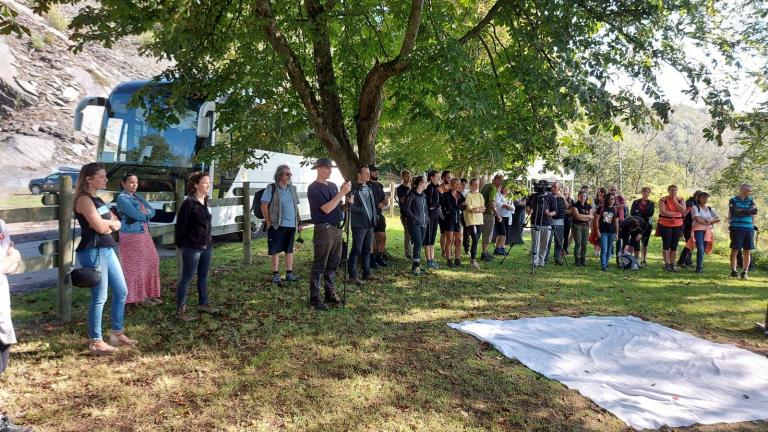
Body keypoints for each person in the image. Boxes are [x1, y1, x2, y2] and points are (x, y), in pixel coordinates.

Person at [74, 163, 135, 355]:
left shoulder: (98, 199)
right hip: (93, 251)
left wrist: (105, 224)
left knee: (122, 292)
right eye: (101, 177)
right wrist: (105, 224)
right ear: (88, 179)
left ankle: (117, 333)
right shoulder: (83, 200)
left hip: (107, 249)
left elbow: (117, 223)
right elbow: (101, 228)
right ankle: (96, 341)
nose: (106, 179)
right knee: (100, 297)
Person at [307, 158, 351, 310]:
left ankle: (329, 293)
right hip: (324, 229)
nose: (330, 171)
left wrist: (347, 202)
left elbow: (337, 208)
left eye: (331, 168)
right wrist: (341, 193)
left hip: (337, 228)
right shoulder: (313, 188)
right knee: (320, 264)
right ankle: (314, 297)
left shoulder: (332, 186)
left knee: (333, 263)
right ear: (318, 169)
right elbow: (326, 209)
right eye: (327, 168)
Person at [175, 171, 218, 321]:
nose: (208, 185)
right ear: (196, 185)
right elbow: (181, 226)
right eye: (205, 182)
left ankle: (203, 304)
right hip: (191, 246)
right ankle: (181, 309)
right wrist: (181, 244)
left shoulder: (206, 200)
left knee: (203, 276)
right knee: (187, 277)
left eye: (209, 182)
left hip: (207, 245)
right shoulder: (189, 203)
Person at [116, 173, 161, 306]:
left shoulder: (137, 196)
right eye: (131, 182)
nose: (134, 184)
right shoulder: (122, 198)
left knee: (152, 261)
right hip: (131, 236)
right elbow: (139, 216)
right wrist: (145, 214)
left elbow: (152, 211)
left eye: (136, 182)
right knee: (136, 267)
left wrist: (145, 214)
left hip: (144, 233)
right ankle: (138, 298)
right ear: (123, 183)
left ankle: (148, 293)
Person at [261, 165, 301, 286]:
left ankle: (289, 274)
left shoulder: (292, 189)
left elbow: (295, 207)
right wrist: (269, 223)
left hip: (291, 225)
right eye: (287, 174)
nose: (290, 176)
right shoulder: (271, 188)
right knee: (275, 251)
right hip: (277, 225)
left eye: (290, 174)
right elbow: (263, 206)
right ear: (280, 175)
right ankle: (276, 275)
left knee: (289, 250)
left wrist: (299, 222)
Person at [347, 166, 380, 285]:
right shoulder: (353, 189)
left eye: (368, 173)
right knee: (356, 250)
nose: (368, 175)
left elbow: (372, 205)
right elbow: (349, 207)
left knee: (367, 249)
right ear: (359, 175)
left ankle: (367, 273)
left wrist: (374, 217)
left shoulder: (369, 188)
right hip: (359, 225)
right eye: (365, 173)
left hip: (370, 224)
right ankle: (352, 275)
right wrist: (361, 210)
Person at [728, 183, 758, 279]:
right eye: (747, 190)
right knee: (735, 249)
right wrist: (747, 211)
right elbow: (735, 212)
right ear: (741, 189)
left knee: (747, 250)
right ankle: (734, 270)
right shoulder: (732, 200)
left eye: (749, 191)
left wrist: (741, 210)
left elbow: (755, 211)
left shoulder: (751, 200)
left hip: (749, 228)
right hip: (736, 228)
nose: (748, 192)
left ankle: (745, 272)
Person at [526, 180, 558, 268]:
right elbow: (527, 207)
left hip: (547, 223)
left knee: (544, 244)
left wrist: (549, 213)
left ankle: (541, 261)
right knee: (535, 243)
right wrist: (529, 210)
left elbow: (555, 211)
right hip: (535, 222)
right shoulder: (533, 196)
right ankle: (534, 262)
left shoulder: (551, 197)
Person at [687, 192, 720, 273]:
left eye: (706, 197)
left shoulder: (709, 209)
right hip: (698, 229)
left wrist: (710, 221)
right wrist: (708, 222)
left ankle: (700, 266)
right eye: (703, 197)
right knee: (700, 248)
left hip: (708, 230)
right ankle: (699, 268)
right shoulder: (695, 207)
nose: (705, 199)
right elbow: (697, 219)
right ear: (699, 198)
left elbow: (718, 219)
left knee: (704, 248)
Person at [403, 176, 429, 275]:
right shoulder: (411, 194)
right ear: (419, 183)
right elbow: (406, 208)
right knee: (417, 243)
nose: (426, 183)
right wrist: (413, 217)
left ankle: (417, 264)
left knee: (419, 244)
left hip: (424, 223)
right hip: (414, 224)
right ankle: (415, 267)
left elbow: (425, 209)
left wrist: (426, 218)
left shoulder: (424, 195)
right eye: (424, 182)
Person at [657, 185, 686, 272]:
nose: (673, 192)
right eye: (672, 190)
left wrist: (675, 201)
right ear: (668, 191)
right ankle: (667, 264)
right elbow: (663, 212)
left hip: (678, 225)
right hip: (665, 225)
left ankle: (672, 264)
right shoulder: (663, 200)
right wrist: (676, 214)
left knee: (674, 245)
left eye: (675, 190)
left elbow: (683, 210)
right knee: (666, 244)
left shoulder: (681, 199)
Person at [441, 178, 466, 267]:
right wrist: (450, 211)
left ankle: (457, 259)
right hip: (449, 220)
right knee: (449, 240)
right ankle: (449, 260)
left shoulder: (460, 195)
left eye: (458, 184)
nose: (458, 185)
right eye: (455, 184)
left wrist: (459, 207)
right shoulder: (446, 195)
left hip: (458, 220)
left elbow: (464, 206)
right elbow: (445, 207)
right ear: (451, 185)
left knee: (459, 240)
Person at [368, 165, 389, 269]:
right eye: (374, 171)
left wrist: (385, 202)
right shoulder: (365, 185)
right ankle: (371, 259)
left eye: (377, 171)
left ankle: (379, 257)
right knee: (371, 238)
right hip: (369, 216)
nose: (376, 173)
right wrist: (377, 205)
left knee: (382, 237)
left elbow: (384, 199)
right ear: (369, 173)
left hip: (379, 215)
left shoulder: (380, 185)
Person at [480, 174, 504, 262]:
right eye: (501, 181)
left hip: (482, 213)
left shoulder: (486, 186)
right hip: (489, 214)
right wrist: (497, 215)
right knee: (487, 234)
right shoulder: (493, 188)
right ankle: (484, 254)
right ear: (496, 180)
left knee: (484, 233)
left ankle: (485, 252)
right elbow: (491, 204)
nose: (501, 183)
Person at [463, 178, 485, 270]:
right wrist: (478, 209)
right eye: (475, 184)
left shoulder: (480, 195)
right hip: (471, 221)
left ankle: (473, 258)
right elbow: (469, 209)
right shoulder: (468, 195)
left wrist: (477, 209)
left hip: (480, 220)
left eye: (478, 184)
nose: (476, 186)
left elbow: (484, 208)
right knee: (475, 240)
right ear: (471, 185)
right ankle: (473, 260)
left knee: (477, 239)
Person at [630, 187, 655, 265]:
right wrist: (643, 213)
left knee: (645, 243)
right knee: (636, 241)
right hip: (637, 225)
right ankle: (635, 259)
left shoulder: (651, 203)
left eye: (647, 192)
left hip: (647, 225)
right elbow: (633, 213)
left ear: (649, 193)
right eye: (644, 192)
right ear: (642, 192)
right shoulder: (636, 202)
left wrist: (639, 212)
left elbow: (650, 213)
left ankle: (644, 259)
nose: (646, 193)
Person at [545, 181, 568, 265]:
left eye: (555, 187)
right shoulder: (548, 196)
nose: (553, 188)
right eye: (552, 187)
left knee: (559, 241)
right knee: (548, 241)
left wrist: (563, 197)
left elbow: (567, 206)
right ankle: (545, 258)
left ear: (559, 188)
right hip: (549, 221)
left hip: (560, 222)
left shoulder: (562, 197)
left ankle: (557, 258)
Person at [677, 191, 702, 268]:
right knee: (689, 243)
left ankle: (688, 261)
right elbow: (685, 215)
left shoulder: (697, 204)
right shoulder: (690, 203)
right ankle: (682, 261)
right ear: (697, 196)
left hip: (694, 226)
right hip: (688, 226)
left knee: (691, 243)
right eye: (700, 197)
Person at [596, 193, 620, 271]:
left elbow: (616, 223)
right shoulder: (601, 208)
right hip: (603, 232)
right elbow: (596, 221)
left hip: (612, 232)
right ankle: (603, 266)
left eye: (613, 199)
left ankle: (606, 264)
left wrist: (617, 233)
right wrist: (597, 231)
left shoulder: (615, 210)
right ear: (607, 199)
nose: (611, 200)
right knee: (604, 249)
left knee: (609, 249)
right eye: (610, 198)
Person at [424, 170, 441, 269]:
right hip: (430, 216)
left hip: (435, 216)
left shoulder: (436, 188)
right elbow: (430, 204)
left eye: (439, 177)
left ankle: (432, 259)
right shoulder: (429, 188)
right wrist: (437, 205)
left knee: (433, 238)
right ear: (432, 178)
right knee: (428, 238)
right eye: (437, 177)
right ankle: (429, 260)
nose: (439, 179)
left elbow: (439, 202)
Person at [570, 190, 593, 266]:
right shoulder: (574, 205)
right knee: (578, 243)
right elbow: (577, 216)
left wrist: (582, 216)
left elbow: (591, 217)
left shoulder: (589, 206)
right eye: (581, 196)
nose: (583, 197)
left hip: (586, 227)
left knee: (584, 244)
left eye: (584, 196)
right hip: (577, 226)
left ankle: (583, 260)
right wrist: (587, 216)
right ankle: (577, 261)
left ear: (586, 197)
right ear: (578, 197)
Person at [396, 170, 413, 259]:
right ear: (402, 177)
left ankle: (413, 251)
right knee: (408, 234)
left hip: (414, 214)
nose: (409, 178)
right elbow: (402, 200)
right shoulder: (400, 189)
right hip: (405, 214)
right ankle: (408, 253)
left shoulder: (412, 187)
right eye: (406, 176)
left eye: (409, 176)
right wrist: (409, 191)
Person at [493, 185, 514, 255]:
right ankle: (497, 248)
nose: (507, 190)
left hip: (508, 217)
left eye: (508, 188)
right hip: (500, 216)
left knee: (505, 234)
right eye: (505, 188)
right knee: (502, 233)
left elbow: (513, 208)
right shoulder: (498, 195)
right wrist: (505, 205)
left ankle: (502, 248)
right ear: (502, 188)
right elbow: (498, 204)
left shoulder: (509, 197)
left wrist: (509, 207)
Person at [438, 170, 453, 261]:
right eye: (448, 177)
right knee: (443, 233)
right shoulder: (439, 187)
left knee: (451, 233)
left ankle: (449, 250)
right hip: (442, 213)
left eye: (450, 177)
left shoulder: (452, 188)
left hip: (451, 214)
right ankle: (443, 251)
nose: (449, 179)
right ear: (443, 178)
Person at [588, 187, 606, 256]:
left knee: (602, 234)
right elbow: (592, 211)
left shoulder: (606, 201)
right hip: (595, 219)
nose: (600, 193)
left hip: (603, 220)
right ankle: (596, 250)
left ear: (604, 193)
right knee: (595, 234)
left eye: (602, 192)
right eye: (599, 192)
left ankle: (601, 249)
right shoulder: (594, 200)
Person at [562, 186, 574, 255]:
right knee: (560, 236)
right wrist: (567, 211)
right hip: (560, 220)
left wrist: (563, 211)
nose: (565, 190)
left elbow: (571, 211)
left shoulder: (571, 200)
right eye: (564, 189)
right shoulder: (559, 199)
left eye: (566, 189)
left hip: (567, 220)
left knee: (566, 236)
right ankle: (559, 250)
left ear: (569, 191)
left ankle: (565, 249)